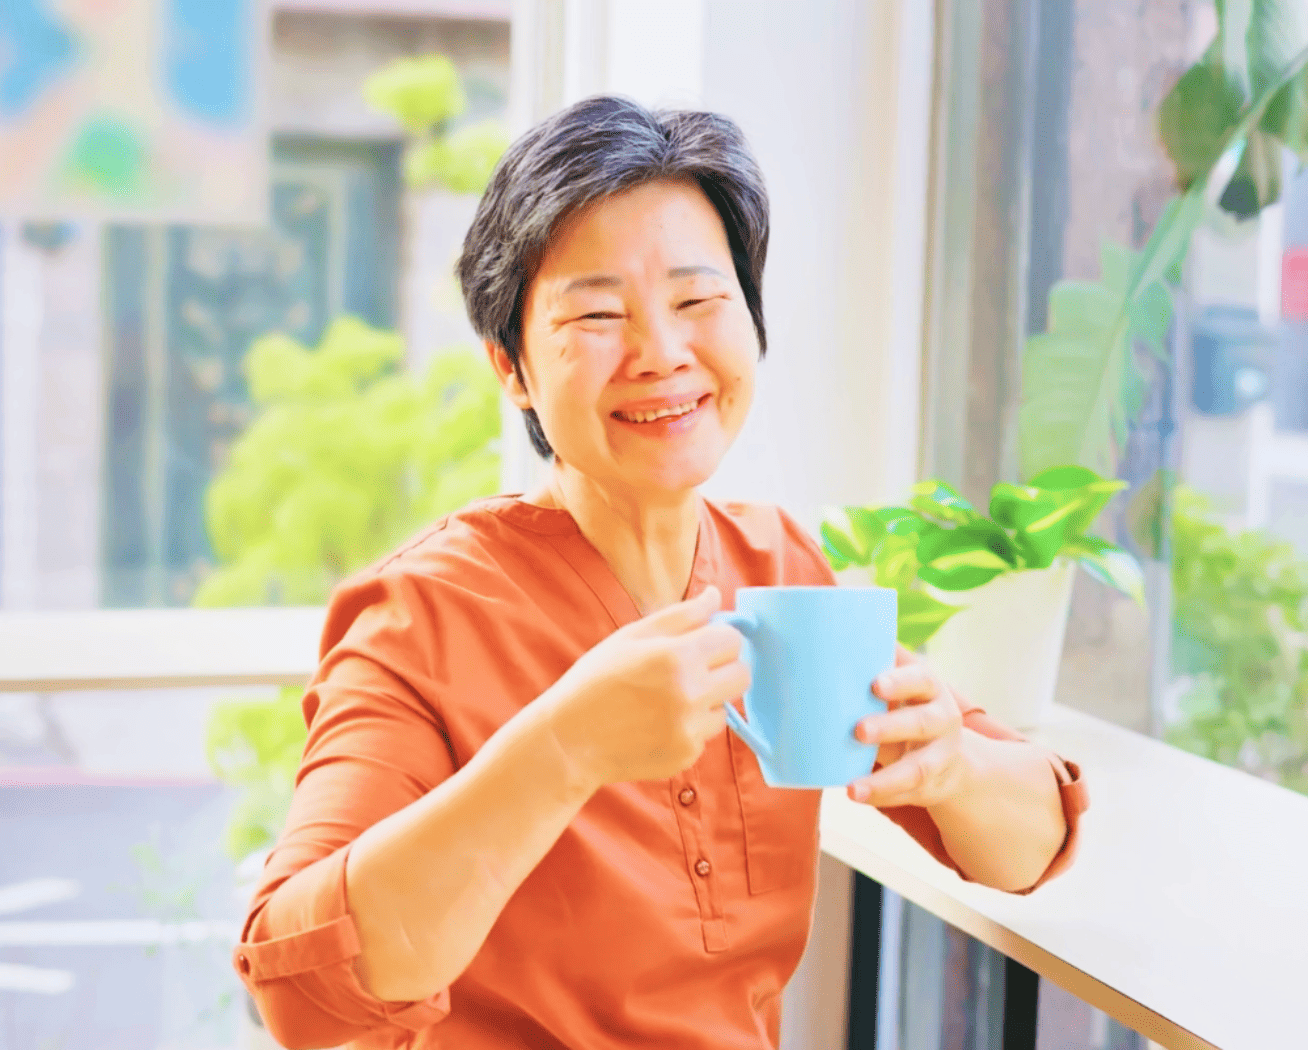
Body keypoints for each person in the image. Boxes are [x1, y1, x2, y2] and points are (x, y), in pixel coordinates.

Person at [232, 95, 1089, 1050]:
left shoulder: (780, 569)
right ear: (511, 366)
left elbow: (1033, 844)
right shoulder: (422, 614)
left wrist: (954, 765)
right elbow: (301, 994)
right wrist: (562, 748)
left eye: (697, 302)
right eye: (598, 314)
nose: (663, 354)